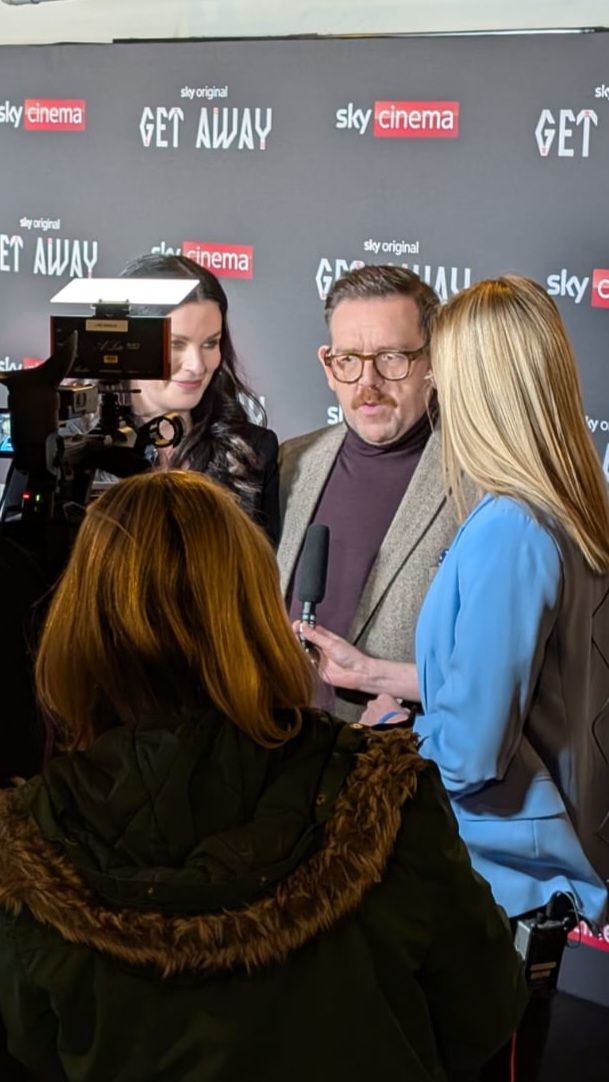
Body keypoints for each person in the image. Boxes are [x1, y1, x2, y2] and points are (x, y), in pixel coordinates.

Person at [0, 470, 527, 1082]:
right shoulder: (386, 796)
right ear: (253, 609)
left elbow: (32, 1048)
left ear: (79, 623)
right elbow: (482, 1014)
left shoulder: (30, 844)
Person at [300, 275, 609, 928]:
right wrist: (377, 675)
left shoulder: (510, 528)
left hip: (487, 881)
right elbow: (530, 686)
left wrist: (387, 739)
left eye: (442, 369)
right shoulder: (570, 511)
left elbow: (470, 753)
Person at [278, 264, 462, 721]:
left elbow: (508, 674)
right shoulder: (289, 464)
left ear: (434, 361)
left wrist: (380, 677)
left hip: (399, 755)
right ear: (328, 366)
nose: (368, 383)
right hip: (276, 743)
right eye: (349, 360)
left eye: (391, 358)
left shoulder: (480, 483)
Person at [119, 252, 279, 543]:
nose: (197, 365)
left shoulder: (253, 452)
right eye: (176, 344)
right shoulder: (73, 447)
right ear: (128, 343)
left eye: (210, 343)